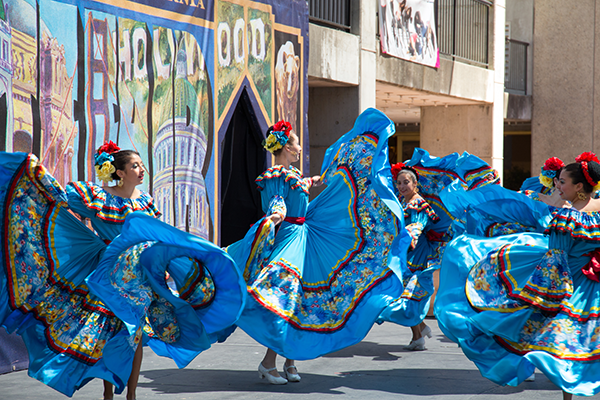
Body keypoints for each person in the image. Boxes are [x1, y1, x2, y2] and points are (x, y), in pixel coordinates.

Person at [0, 144, 245, 398]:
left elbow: (156, 237)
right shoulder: (98, 197)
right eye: (134, 166)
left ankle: (131, 395)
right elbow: (60, 199)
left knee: (135, 334)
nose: (141, 170)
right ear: (119, 171)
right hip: (106, 276)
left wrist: (163, 267)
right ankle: (108, 393)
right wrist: (37, 178)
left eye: (141, 165)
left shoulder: (144, 201)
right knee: (111, 334)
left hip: (138, 277)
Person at [225, 109, 410, 384]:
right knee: (284, 301)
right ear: (286, 146)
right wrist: (275, 214)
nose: (300, 148)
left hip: (304, 239)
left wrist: (325, 177)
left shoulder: (292, 174)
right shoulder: (275, 175)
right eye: (297, 144)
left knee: (301, 302)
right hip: (289, 239)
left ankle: (289, 362)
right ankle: (267, 363)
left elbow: (304, 185)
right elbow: (277, 200)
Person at [435, 151, 600, 399]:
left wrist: (532, 292)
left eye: (562, 182)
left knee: (563, 341)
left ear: (578, 186)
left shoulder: (567, 216)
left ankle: (569, 394)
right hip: (594, 288)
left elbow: (556, 256)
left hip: (571, 286)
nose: (558, 185)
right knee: (587, 341)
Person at [376, 148, 499, 350]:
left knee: (407, 294)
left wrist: (411, 237)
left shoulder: (419, 203)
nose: (401, 186)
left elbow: (419, 224)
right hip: (406, 252)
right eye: (398, 183)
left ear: (415, 184)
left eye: (406, 182)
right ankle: (419, 334)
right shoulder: (401, 202)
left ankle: (422, 331)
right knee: (404, 295)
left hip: (417, 254)